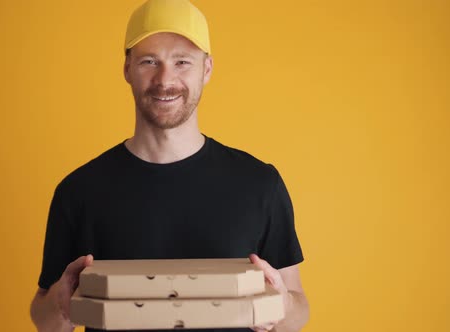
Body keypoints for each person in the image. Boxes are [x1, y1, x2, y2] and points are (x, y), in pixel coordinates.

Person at [30, 0, 309, 331]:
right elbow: (46, 321)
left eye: (182, 62)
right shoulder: (79, 191)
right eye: (150, 61)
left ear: (206, 69)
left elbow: (297, 312)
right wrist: (62, 301)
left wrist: (281, 303)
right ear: (127, 68)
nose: (165, 79)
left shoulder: (260, 184)